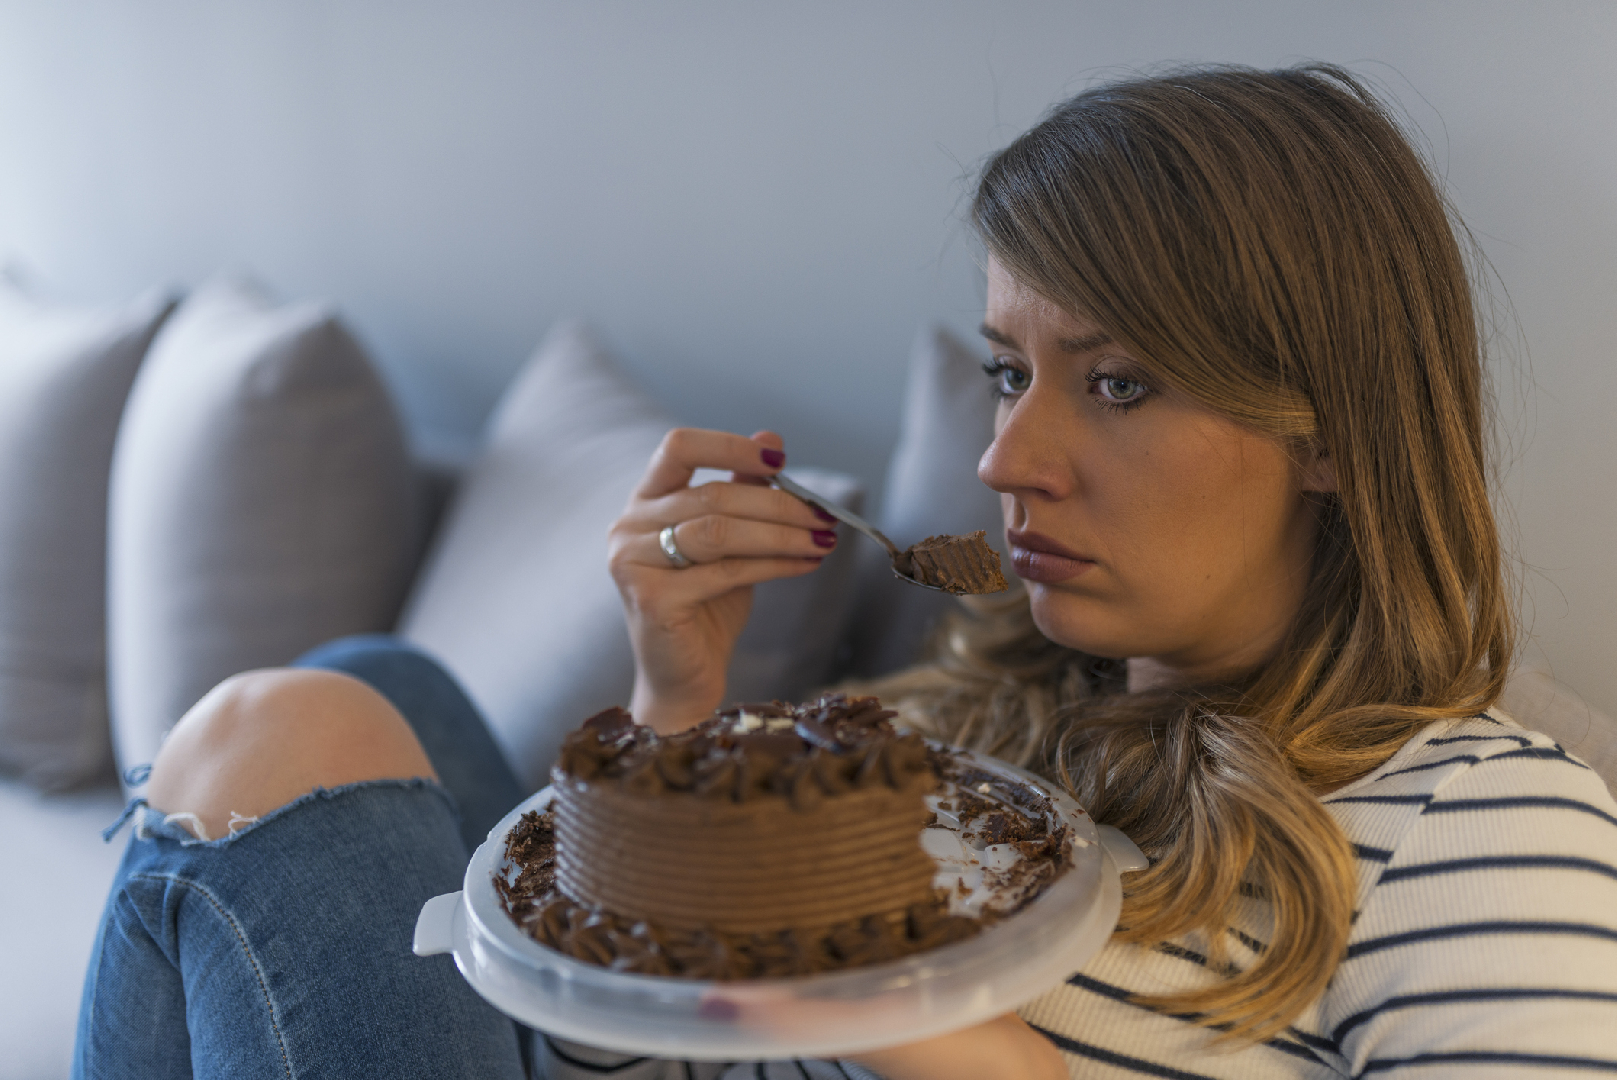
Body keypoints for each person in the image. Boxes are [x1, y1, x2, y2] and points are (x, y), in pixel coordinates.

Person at [74, 64, 1617, 1080]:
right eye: (1007, 372)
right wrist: (679, 720)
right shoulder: (950, 730)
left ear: (1335, 432)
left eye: (1122, 382)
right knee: (363, 693)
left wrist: (898, 996)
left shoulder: (1485, 823)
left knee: (275, 732)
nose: (1008, 459)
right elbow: (620, 1057)